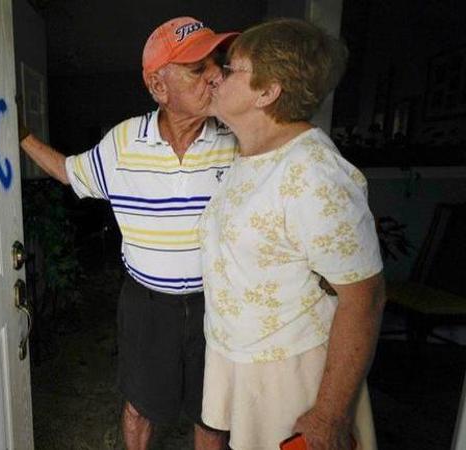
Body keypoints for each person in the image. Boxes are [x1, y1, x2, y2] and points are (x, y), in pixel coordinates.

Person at [19, 17, 238, 450]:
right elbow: (68, 172)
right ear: (159, 86)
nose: (216, 75)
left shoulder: (238, 139)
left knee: (213, 412)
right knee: (140, 405)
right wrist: (20, 134)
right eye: (198, 69)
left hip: (220, 303)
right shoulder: (122, 144)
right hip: (147, 305)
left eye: (218, 63)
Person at [198, 18, 386, 450]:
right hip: (243, 360)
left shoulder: (314, 172)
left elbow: (365, 298)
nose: (214, 75)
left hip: (292, 373)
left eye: (229, 68)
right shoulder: (253, 156)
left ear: (268, 92)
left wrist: (330, 413)